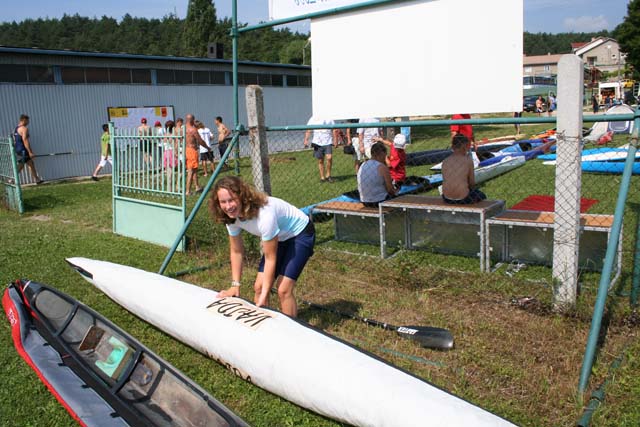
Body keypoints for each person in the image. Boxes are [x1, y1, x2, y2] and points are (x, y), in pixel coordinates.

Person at [210, 176, 315, 317]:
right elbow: (236, 251)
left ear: (242, 197)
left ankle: (290, 332)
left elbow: (270, 258)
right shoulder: (230, 217)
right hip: (279, 236)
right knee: (258, 287)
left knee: (283, 289)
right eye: (223, 202)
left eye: (232, 200)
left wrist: (266, 293)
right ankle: (264, 329)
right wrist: (235, 285)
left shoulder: (265, 215)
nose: (228, 206)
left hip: (299, 233)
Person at [441, 134, 486, 205]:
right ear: (464, 147)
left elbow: (445, 179)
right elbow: (472, 183)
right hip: (463, 198)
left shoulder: (445, 161)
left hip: (447, 198)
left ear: (453, 146)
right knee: (482, 195)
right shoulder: (468, 160)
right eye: (468, 147)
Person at [357, 142, 397, 207]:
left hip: (364, 201)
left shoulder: (363, 165)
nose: (385, 158)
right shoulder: (382, 167)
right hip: (379, 201)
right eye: (385, 155)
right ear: (382, 153)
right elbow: (390, 190)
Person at [303, 116, 338, 182]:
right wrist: (306, 140)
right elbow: (309, 129)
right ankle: (322, 177)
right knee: (320, 160)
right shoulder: (313, 118)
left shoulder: (329, 118)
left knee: (329, 158)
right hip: (317, 142)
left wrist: (335, 140)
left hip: (328, 142)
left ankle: (328, 175)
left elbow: (334, 129)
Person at [13, 114, 44, 184]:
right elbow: (25, 140)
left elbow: (17, 138)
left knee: (30, 163)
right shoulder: (24, 128)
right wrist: (30, 152)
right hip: (23, 150)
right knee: (21, 165)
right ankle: (11, 179)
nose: (28, 122)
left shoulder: (16, 128)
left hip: (18, 149)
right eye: (28, 120)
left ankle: (37, 179)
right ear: (24, 120)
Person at [184, 114, 209, 195]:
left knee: (194, 169)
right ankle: (187, 191)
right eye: (194, 120)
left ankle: (197, 186)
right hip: (192, 150)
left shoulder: (183, 128)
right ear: (192, 120)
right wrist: (207, 148)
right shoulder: (193, 130)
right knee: (191, 171)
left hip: (186, 149)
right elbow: (200, 141)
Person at [162, 120, 178, 191]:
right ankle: (175, 186)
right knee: (179, 170)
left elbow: (163, 143)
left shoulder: (165, 135)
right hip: (171, 152)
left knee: (169, 172)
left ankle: (170, 189)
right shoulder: (173, 135)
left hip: (166, 152)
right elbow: (175, 145)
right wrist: (176, 153)